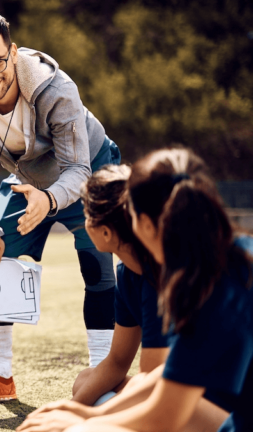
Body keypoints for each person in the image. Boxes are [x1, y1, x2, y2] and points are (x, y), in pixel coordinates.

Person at [0, 7, 121, 406]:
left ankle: (101, 377)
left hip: (90, 169)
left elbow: (77, 168)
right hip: (28, 179)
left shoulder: (55, 87)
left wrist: (51, 198)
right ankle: (0, 376)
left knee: (97, 265)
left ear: (13, 52)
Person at [17, 148, 250, 432]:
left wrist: (87, 421)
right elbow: (170, 372)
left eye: (131, 213)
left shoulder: (211, 284)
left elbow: (165, 413)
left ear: (147, 225)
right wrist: (82, 412)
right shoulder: (223, 260)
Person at [70, 165, 170, 406]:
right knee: (85, 380)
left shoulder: (162, 274)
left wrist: (83, 416)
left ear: (105, 232)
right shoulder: (127, 274)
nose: (85, 223)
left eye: (87, 215)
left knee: (140, 395)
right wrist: (74, 407)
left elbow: (157, 386)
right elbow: (117, 361)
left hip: (209, 397)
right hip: (170, 386)